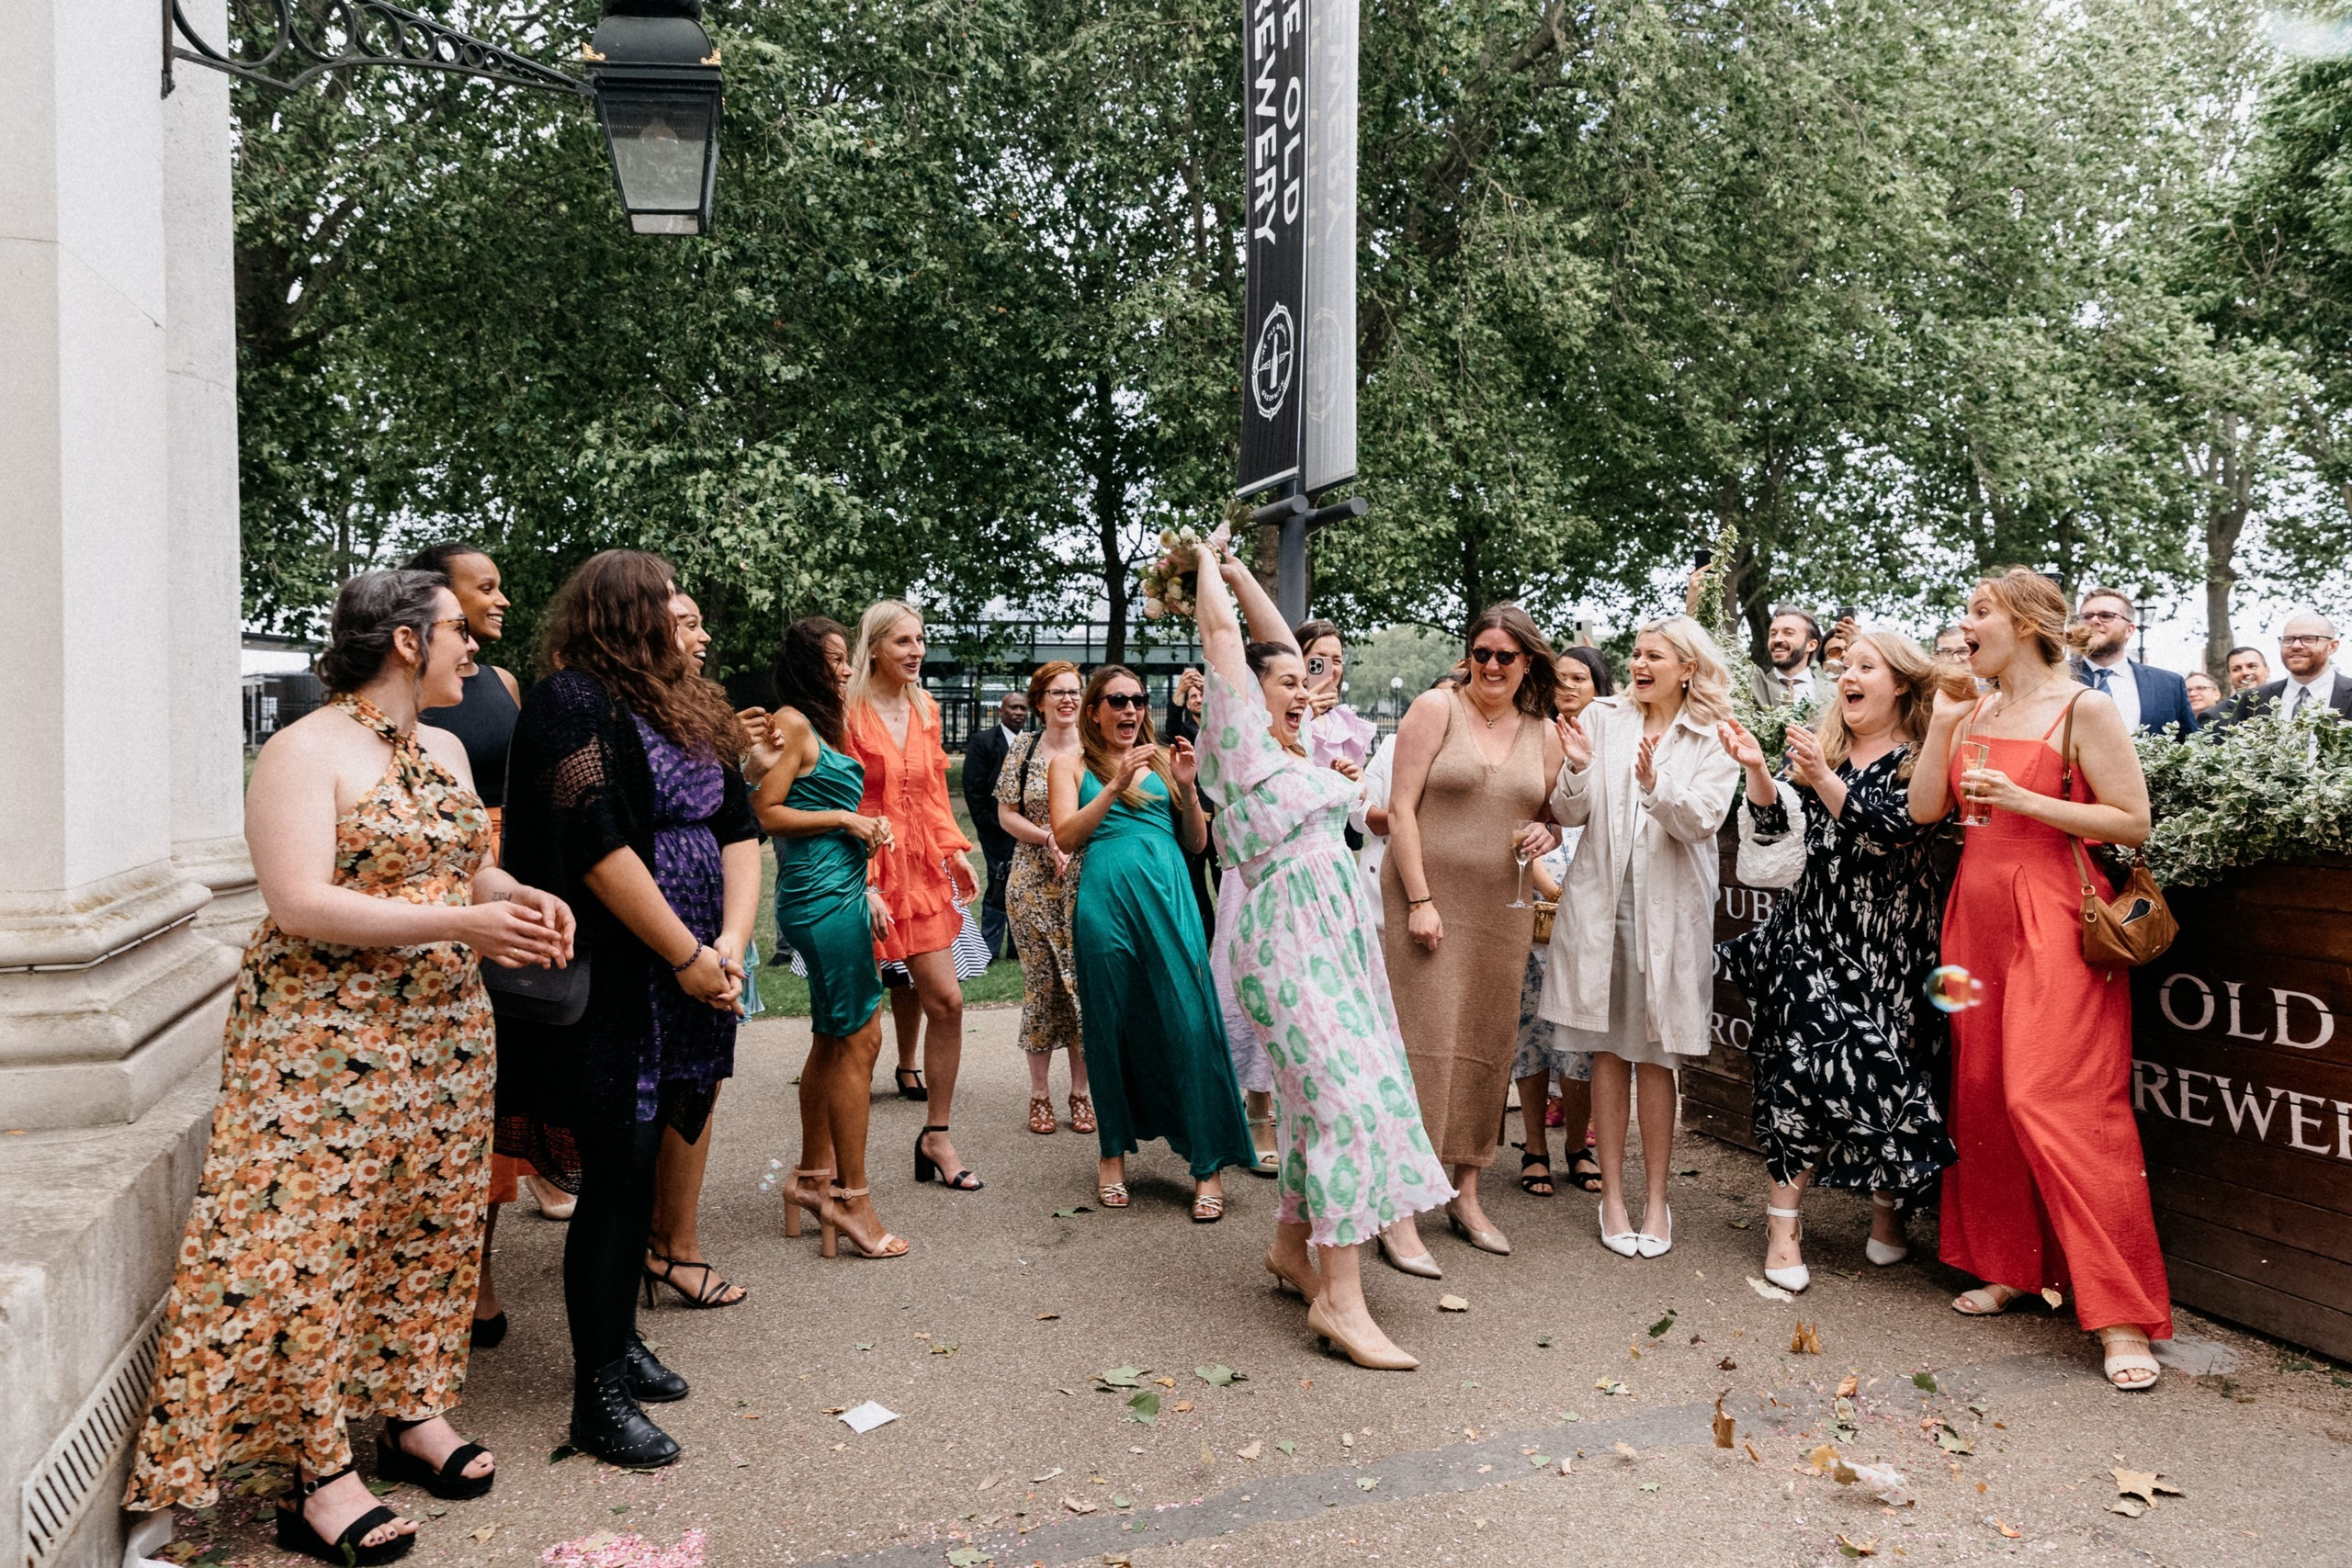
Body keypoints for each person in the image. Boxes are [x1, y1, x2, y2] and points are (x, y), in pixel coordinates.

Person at [127, 570, 574, 1565]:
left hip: (443, 1037)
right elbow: (299, 903)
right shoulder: (302, 750)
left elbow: (463, 863)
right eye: (460, 630)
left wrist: (515, 895)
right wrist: (464, 922)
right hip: (322, 1042)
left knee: (429, 1225)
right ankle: (314, 1472)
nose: (477, 645)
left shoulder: (450, 748)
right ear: (409, 641)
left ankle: (413, 1412)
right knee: (310, 1248)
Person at [498, 550, 758, 1466]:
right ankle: (596, 1399)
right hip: (615, 978)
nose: (682, 624)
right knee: (616, 1175)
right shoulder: (572, 700)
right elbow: (596, 843)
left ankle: (616, 1341)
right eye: (663, 607)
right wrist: (685, 953)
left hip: (681, 974)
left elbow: (738, 827)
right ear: (625, 615)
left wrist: (726, 943)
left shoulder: (670, 703)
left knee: (640, 1167)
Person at [1188, 525, 1452, 1368]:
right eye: (1287, 683)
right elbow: (1231, 638)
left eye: (1311, 680)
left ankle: (1291, 1250)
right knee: (1340, 1102)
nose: (1303, 692)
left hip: (1336, 941)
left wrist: (1237, 570)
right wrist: (1204, 560)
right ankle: (1341, 1301)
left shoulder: (1300, 746)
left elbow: (1271, 637)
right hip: (1284, 941)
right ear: (1242, 695)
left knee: (1333, 1097)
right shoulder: (1236, 744)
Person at [1907, 568, 2170, 1392]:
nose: (1964, 624)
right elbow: (1924, 812)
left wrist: (2024, 794)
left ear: (2026, 623)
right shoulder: (1975, 706)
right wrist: (1944, 725)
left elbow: (2132, 820)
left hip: (2055, 918)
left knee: (2051, 1096)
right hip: (1973, 919)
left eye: (1979, 612)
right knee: (1982, 1089)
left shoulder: (2082, 707)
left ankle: (2122, 1314)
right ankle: (2011, 1265)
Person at [1716, 631, 1961, 1292]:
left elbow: (1891, 833)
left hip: (1891, 947)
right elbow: (1774, 837)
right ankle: (1782, 1228)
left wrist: (1821, 779)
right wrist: (1759, 772)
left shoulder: (1919, 758)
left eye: (1864, 667)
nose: (1847, 677)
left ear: (1901, 684)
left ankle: (1886, 1215)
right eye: (1843, 669)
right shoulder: (1823, 753)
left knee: (1889, 1071)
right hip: (1810, 936)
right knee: (1795, 1074)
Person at [404, 541, 570, 1358]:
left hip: (498, 878)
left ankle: (482, 1259)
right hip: (433, 893)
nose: (501, 601)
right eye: (486, 588)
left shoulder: (500, 684)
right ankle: (454, 1281)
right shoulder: (399, 700)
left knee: (499, 1083)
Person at [1544, 616, 1742, 1262]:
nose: (1638, 663)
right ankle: (1615, 1197)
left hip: (1669, 914)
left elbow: (1702, 820)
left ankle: (1657, 1198)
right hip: (1604, 908)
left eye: (1654, 654)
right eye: (1634, 652)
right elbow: (1570, 811)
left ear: (1687, 667)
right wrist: (1574, 770)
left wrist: (1656, 785)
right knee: (1606, 1048)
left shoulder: (1712, 736)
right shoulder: (1603, 721)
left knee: (1658, 1055)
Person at [1378, 605, 1566, 1272]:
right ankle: (1398, 1209)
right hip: (1426, 901)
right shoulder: (1435, 708)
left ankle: (1466, 1191)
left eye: (1505, 657)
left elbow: (1547, 819)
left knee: (1487, 1045)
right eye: (1481, 652)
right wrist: (1420, 899)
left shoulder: (1545, 733)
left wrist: (1552, 833)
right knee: (1423, 1046)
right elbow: (1400, 808)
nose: (1490, 665)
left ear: (1527, 665)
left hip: (1500, 906)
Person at [1049, 664, 1254, 1219]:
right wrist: (1114, 784)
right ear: (1094, 709)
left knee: (1190, 1021)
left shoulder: (1165, 761)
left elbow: (1195, 843)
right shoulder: (1070, 765)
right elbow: (1066, 836)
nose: (1130, 710)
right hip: (1104, 905)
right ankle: (1111, 1154)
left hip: (1170, 899)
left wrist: (1187, 789)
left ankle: (1206, 1162)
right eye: (1116, 701)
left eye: (1138, 699)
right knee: (1111, 1022)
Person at [753, 617, 906, 1259]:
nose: (847, 669)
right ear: (809, 664)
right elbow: (766, 808)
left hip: (838, 892)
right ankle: (852, 1197)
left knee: (830, 1035)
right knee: (862, 1037)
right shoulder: (792, 720)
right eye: (837, 659)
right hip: (819, 899)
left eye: (848, 659)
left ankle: (811, 1179)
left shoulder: (820, 722)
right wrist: (849, 817)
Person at [843, 601, 985, 1189]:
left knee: (946, 1002)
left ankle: (937, 1135)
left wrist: (952, 852)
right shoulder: (846, 711)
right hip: (858, 867)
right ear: (874, 646)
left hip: (921, 871)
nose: (916, 650)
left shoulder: (925, 707)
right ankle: (829, 1161)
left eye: (920, 640)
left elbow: (930, 794)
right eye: (903, 641)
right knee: (851, 1022)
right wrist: (862, 876)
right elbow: (841, 796)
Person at [637, 587, 751, 1310]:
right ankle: (638, 1242)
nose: (703, 635)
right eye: (686, 623)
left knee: (697, 1078)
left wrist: (732, 941)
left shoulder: (708, 713)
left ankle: (678, 1242)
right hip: (642, 926)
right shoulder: (610, 712)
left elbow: (739, 826)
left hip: (710, 929)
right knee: (639, 1081)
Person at [1512, 645, 1612, 1201]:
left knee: (1582, 1042)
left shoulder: (1611, 746)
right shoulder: (1531, 737)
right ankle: (1532, 1146)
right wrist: (1551, 883)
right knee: (1530, 1035)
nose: (1569, 686)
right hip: (1535, 903)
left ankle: (1578, 1144)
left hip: (1594, 916)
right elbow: (1517, 819)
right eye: (1561, 677)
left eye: (1581, 677)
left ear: (1600, 687)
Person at [995, 661, 1094, 1136]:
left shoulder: (1094, 750)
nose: (1067, 699)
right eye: (1057, 692)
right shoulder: (1025, 749)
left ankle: (1081, 1093)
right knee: (1042, 986)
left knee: (1081, 987)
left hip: (1085, 880)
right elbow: (1005, 814)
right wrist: (1047, 837)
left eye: (1074, 691)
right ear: (1040, 701)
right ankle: (1039, 1095)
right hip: (1032, 883)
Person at [2067, 588, 2197, 739]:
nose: (2094, 621)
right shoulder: (2054, 677)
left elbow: (2191, 746)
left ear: (2129, 630)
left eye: (2106, 616)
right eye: (2087, 616)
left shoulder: (2169, 685)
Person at [962, 691, 1029, 959]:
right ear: (1001, 712)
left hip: (1025, 829)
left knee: (1019, 885)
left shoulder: (1031, 742)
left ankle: (1017, 949)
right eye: (1013, 707)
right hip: (994, 830)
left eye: (1023, 708)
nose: (1019, 712)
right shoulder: (984, 742)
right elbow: (973, 786)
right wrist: (988, 824)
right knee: (998, 883)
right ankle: (988, 948)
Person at [2219, 612, 2352, 724]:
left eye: (2309, 639)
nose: (2296, 646)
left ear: (2332, 646)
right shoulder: (2254, 699)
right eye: (2288, 640)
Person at [1748, 607, 1824, 707]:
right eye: (1773, 634)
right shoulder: (1752, 687)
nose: (1777, 639)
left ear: (1811, 645)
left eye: (1789, 633)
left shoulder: (1835, 693)